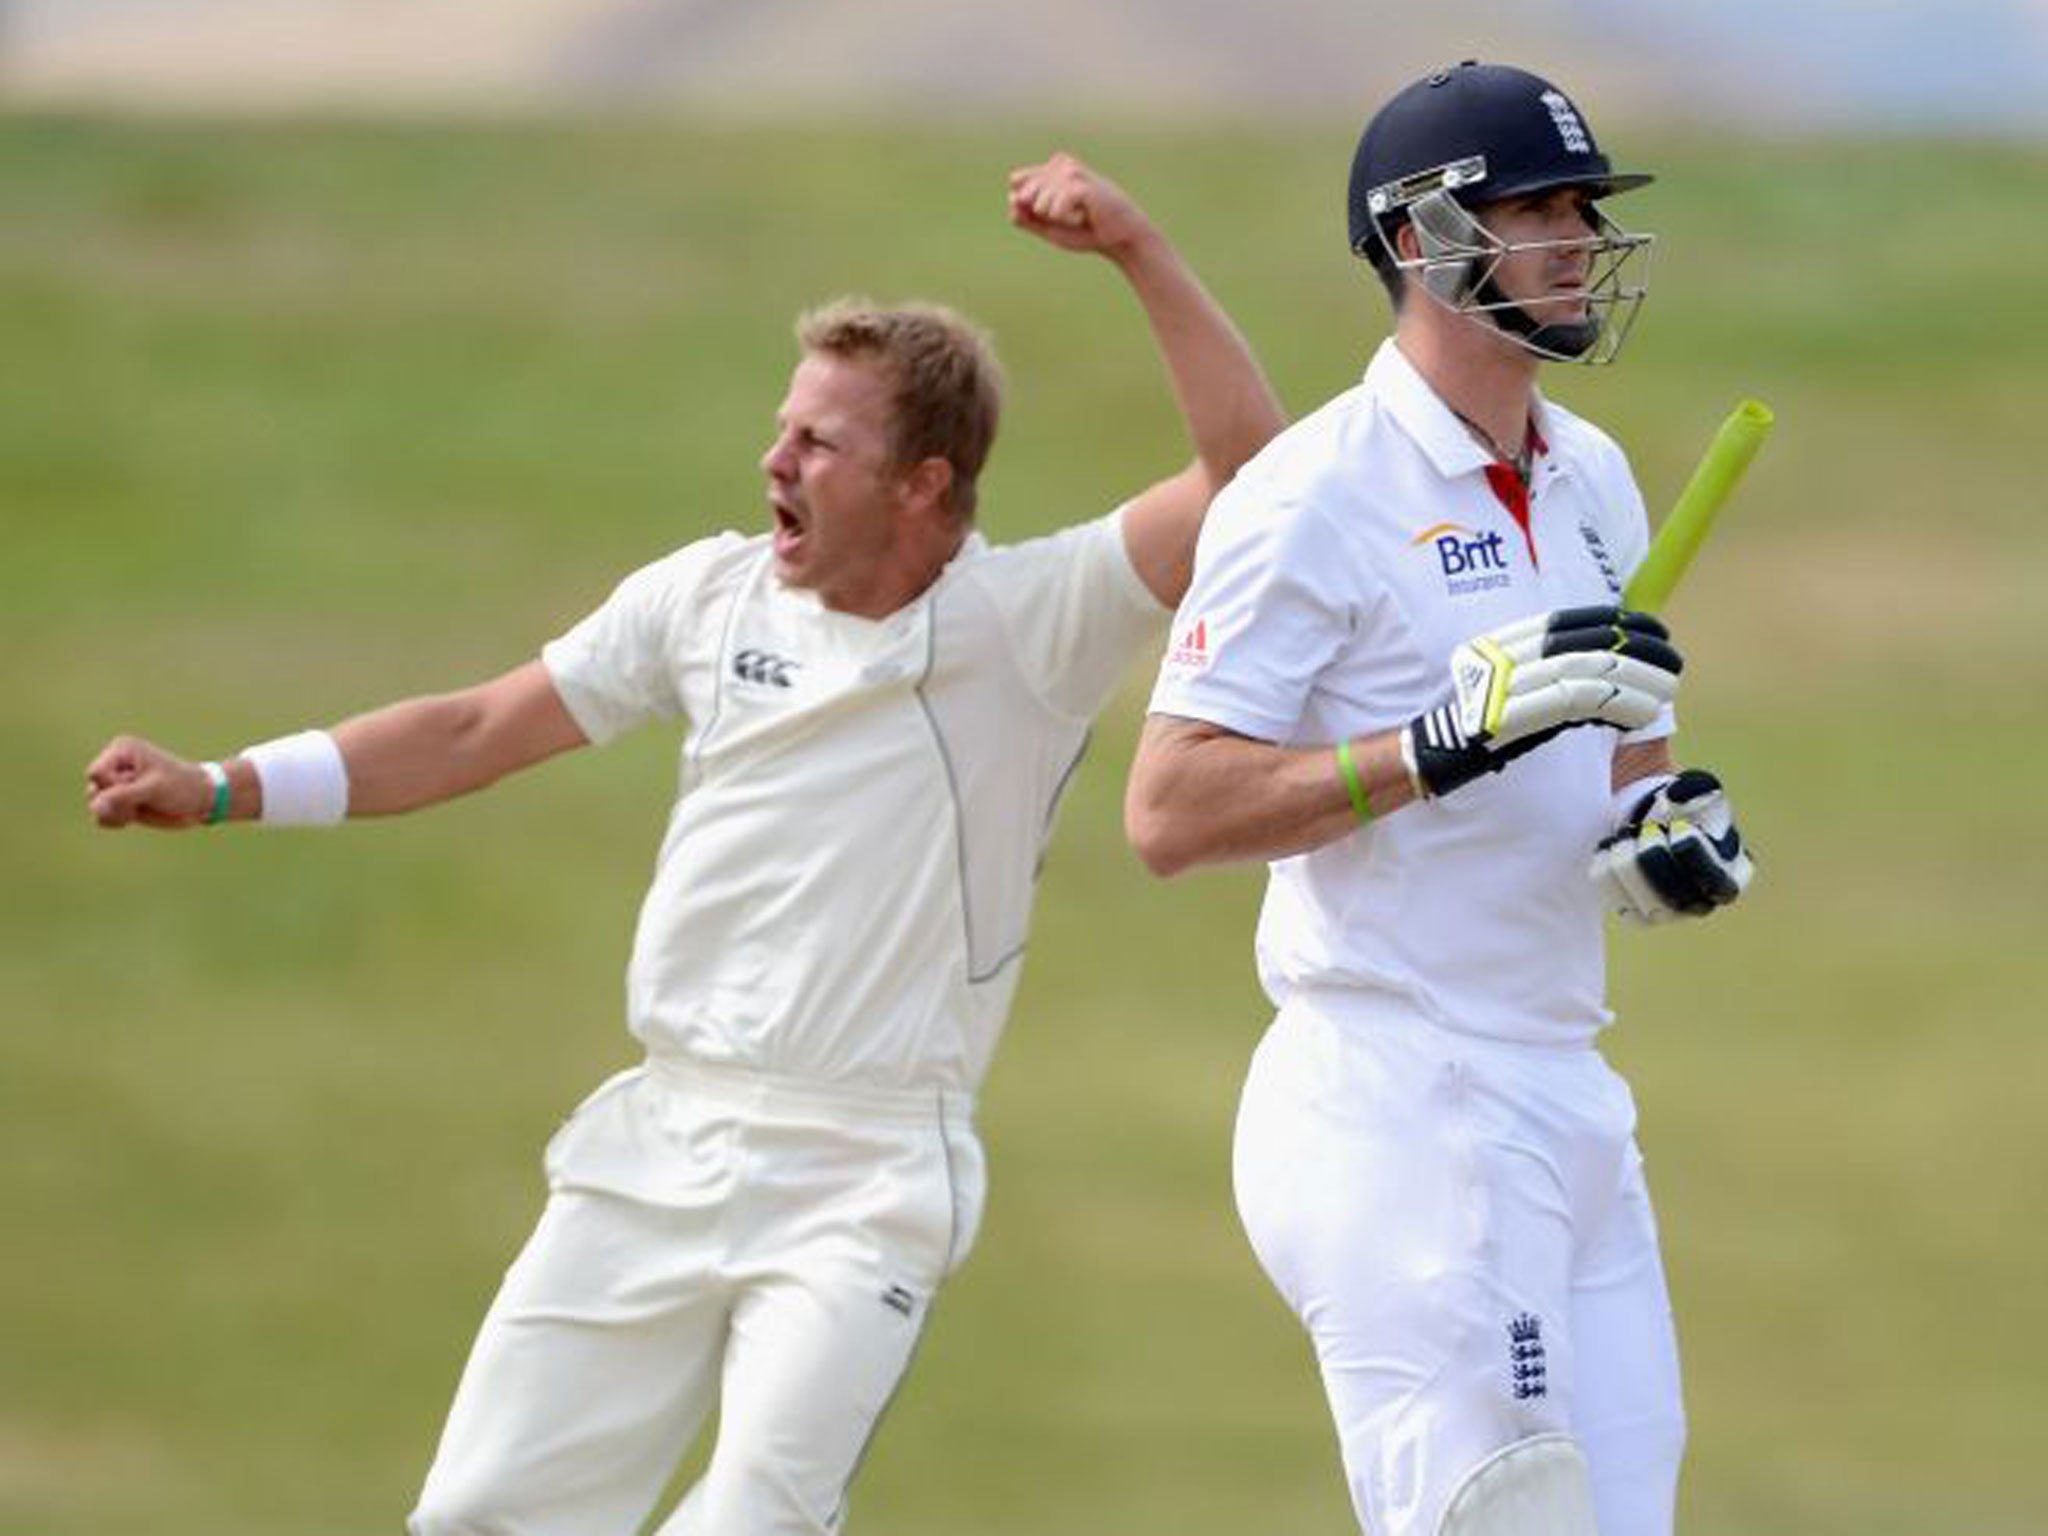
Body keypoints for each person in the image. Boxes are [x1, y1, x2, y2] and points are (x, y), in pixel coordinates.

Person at [85, 152, 1284, 1536]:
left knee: (758, 1524)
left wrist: (1135, 244)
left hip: (867, 1172)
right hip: (663, 1136)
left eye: (819, 444)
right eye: (785, 430)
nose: (775, 460)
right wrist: (225, 786)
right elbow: (476, 728)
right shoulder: (707, 599)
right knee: (477, 1515)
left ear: (922, 484)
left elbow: (1250, 473)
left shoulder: (1032, 625)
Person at [1125, 63, 1754, 1536]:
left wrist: (1669, 837)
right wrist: (1431, 747)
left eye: (1580, 208)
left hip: (1570, 1093)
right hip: (1402, 1099)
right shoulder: (1312, 492)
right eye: (1535, 206)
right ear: (1423, 240)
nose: (1576, 237)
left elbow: (1622, 768)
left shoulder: (1594, 476)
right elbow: (1168, 812)